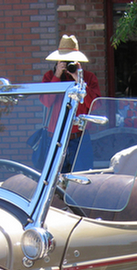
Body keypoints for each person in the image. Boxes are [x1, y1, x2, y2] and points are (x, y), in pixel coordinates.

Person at [41, 34, 100, 171]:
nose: (68, 64)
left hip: (79, 139)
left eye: (71, 61)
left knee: (80, 183)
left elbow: (94, 105)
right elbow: (46, 102)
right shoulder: (50, 76)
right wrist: (57, 76)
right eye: (64, 60)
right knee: (53, 183)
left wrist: (79, 79)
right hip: (55, 137)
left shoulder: (88, 78)